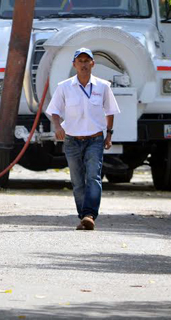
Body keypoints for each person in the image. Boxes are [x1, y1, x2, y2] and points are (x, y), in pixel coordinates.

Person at [46, 48, 120, 231]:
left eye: (87, 61)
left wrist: (109, 134)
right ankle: (83, 216)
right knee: (77, 179)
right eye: (80, 61)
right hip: (72, 140)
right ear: (74, 64)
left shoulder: (103, 86)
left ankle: (89, 214)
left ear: (93, 64)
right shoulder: (64, 87)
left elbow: (110, 111)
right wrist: (57, 126)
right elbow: (53, 110)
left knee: (93, 176)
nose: (84, 64)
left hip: (95, 139)